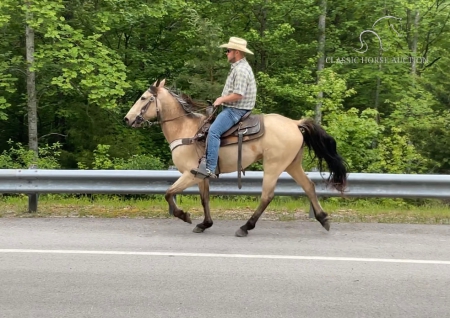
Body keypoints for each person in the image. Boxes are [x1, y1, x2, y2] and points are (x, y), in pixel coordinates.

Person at [191, 36, 257, 179]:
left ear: (236, 52)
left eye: (228, 51)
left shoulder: (241, 70)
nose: (226, 53)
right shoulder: (238, 67)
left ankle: (210, 169)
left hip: (236, 110)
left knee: (214, 131)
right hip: (234, 108)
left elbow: (239, 94)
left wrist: (221, 99)